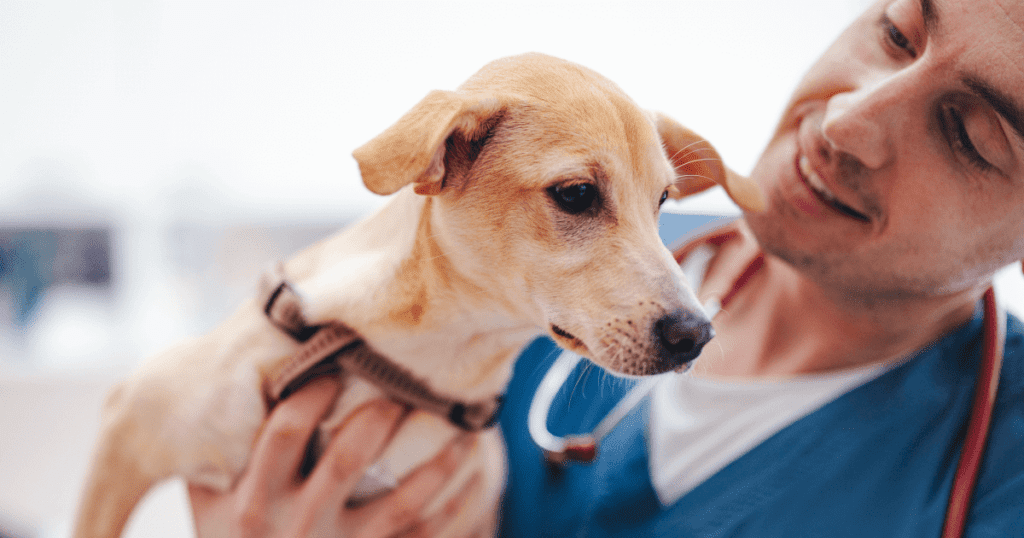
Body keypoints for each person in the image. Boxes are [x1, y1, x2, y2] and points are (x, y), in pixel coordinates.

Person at [188, 0, 1024, 535]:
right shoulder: (531, 232)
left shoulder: (1002, 481)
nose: (846, 120)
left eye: (973, 135)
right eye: (896, 33)